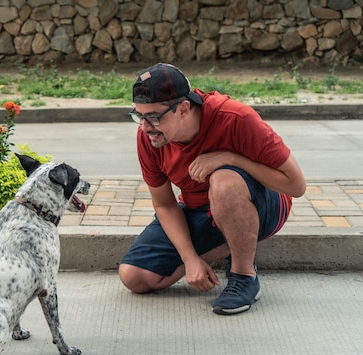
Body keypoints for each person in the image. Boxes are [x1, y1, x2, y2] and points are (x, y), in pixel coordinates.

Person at [118, 63, 306, 315]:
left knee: (224, 180)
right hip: (201, 210)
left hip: (264, 204)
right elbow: (164, 204)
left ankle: (244, 276)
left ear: (184, 108)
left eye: (153, 116)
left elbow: (295, 185)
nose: (145, 127)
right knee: (135, 276)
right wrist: (190, 258)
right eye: (139, 116)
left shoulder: (235, 118)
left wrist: (231, 158)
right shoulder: (150, 138)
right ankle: (234, 243)